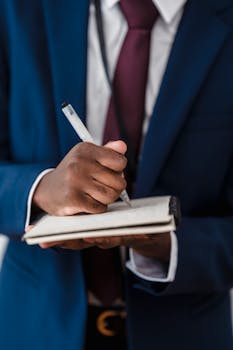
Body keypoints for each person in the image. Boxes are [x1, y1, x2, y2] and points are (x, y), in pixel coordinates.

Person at [0, 0, 233, 349]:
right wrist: (40, 190)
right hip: (35, 328)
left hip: (186, 332)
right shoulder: (16, 9)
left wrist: (165, 244)